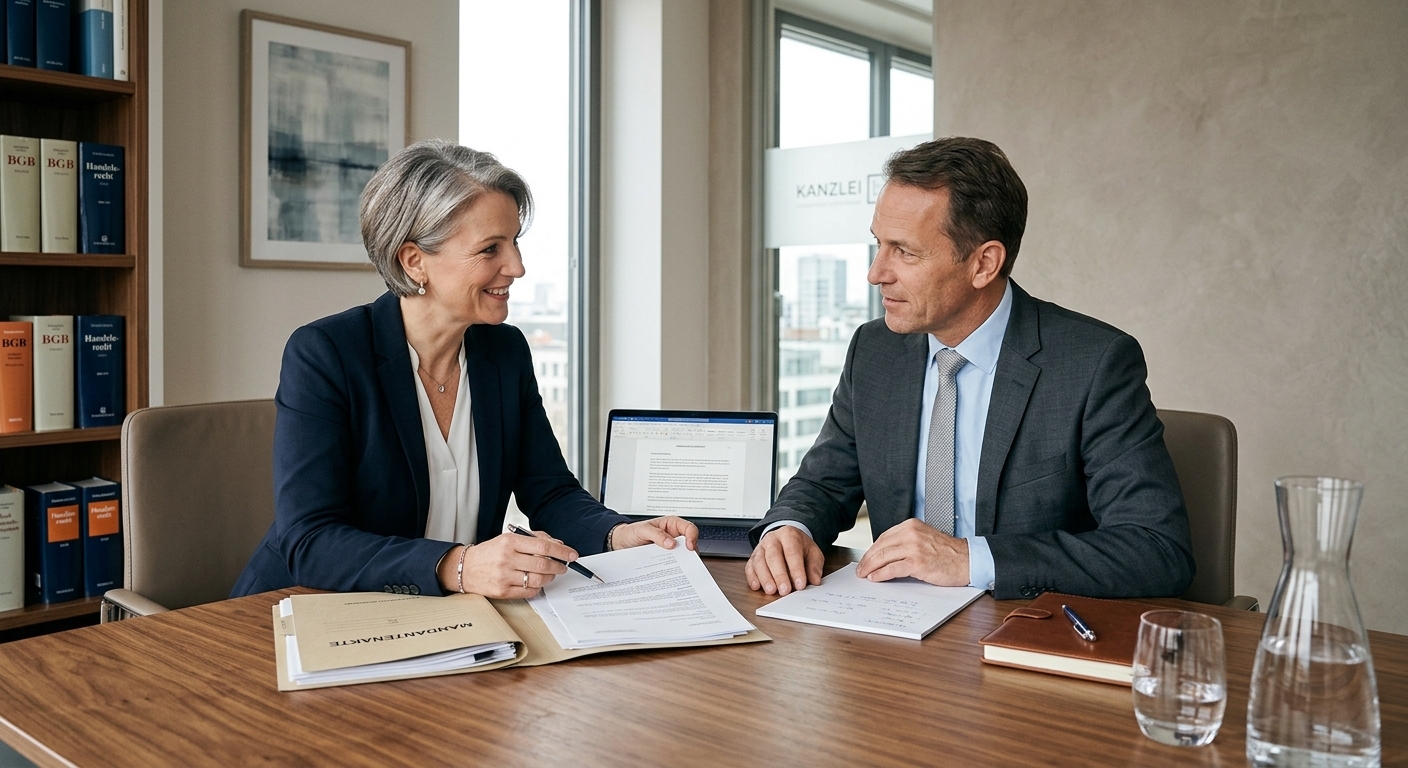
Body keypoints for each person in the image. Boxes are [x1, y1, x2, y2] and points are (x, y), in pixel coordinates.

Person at [233, 140, 695, 599]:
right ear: (414, 261)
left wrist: (617, 535)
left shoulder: (504, 352)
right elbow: (309, 540)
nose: (516, 266)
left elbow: (549, 490)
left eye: (514, 242)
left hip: (445, 621)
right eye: (490, 249)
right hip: (299, 611)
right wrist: (458, 566)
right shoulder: (326, 354)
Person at [746, 137, 1194, 601]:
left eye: (905, 251)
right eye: (879, 244)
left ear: (984, 263)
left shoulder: (1094, 364)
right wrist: (790, 527)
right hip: (893, 630)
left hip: (1022, 634)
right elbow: (822, 483)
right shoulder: (874, 350)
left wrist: (970, 559)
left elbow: (1156, 549)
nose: (876, 272)